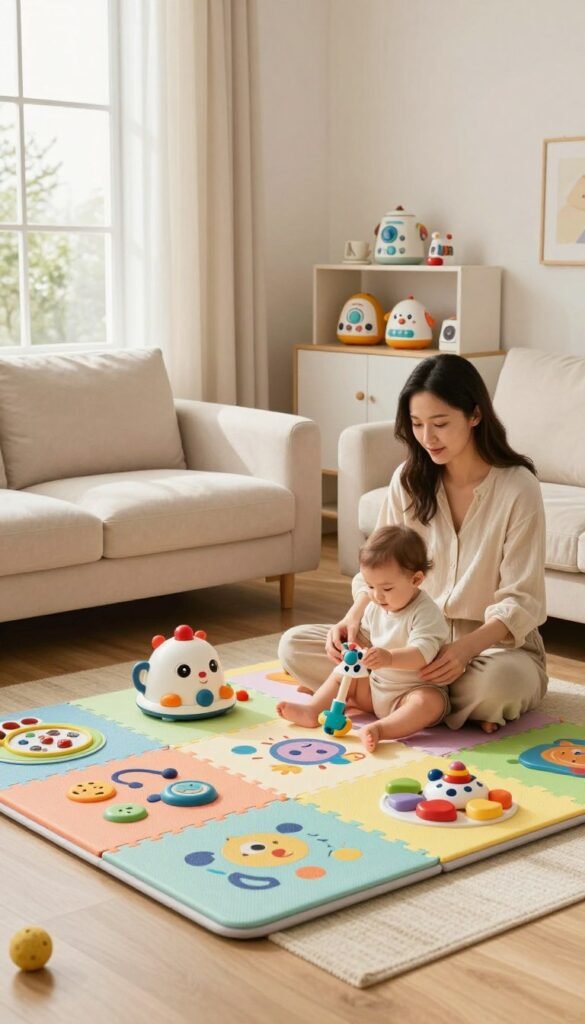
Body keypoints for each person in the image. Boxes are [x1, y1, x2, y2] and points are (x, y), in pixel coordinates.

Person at [279, 353, 548, 733]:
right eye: (417, 424)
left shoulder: (518, 487)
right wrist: (353, 616)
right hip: (402, 641)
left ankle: (380, 696)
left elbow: (521, 601)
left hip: (486, 648)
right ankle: (424, 704)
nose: (427, 438)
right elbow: (378, 566)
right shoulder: (408, 480)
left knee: (500, 683)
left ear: (475, 415)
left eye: (440, 423)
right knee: (294, 645)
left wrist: (463, 650)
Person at [277, 525, 450, 752]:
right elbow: (364, 638)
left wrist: (389, 658)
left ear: (416, 579)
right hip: (374, 690)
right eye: (370, 586)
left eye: (387, 588)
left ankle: (381, 730)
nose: (377, 596)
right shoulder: (375, 605)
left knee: (428, 702)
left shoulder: (425, 612)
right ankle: (313, 709)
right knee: (344, 673)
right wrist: (352, 650)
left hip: (411, 692)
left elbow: (421, 654)